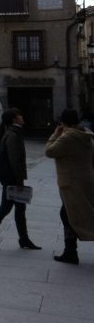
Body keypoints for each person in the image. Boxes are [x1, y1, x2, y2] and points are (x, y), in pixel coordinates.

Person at [0, 108, 40, 251]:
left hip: (13, 177)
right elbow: (14, 160)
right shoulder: (12, 135)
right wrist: (19, 182)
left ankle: (24, 239)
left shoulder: (14, 132)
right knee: (5, 208)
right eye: (19, 115)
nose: (22, 117)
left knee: (20, 208)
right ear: (14, 119)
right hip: (11, 178)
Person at [44, 108, 94, 265]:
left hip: (71, 182)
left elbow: (49, 151)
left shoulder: (68, 137)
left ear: (63, 122)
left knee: (71, 215)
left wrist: (55, 134)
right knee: (72, 213)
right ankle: (70, 250)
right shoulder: (86, 135)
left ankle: (70, 252)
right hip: (85, 179)